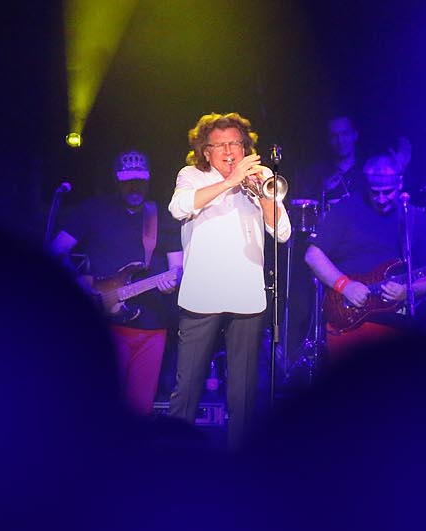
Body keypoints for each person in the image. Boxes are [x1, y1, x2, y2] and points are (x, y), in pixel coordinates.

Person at [167, 112, 291, 449]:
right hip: (201, 295)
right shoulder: (191, 175)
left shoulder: (262, 177)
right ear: (205, 151)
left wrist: (261, 193)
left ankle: (241, 462)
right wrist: (229, 182)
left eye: (235, 143)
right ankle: (172, 458)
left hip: (246, 297)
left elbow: (282, 233)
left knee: (244, 394)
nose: (228, 151)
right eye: (219, 145)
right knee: (187, 388)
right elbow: (178, 208)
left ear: (245, 147)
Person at [50, 150, 183, 416]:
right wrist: (80, 285)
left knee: (140, 409)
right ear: (117, 180)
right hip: (105, 325)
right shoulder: (92, 210)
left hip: (151, 325)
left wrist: (173, 282)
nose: (134, 187)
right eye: (127, 181)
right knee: (102, 406)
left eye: (140, 181)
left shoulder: (161, 216)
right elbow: (57, 249)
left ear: (148, 180)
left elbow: (177, 269)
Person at [304, 153, 426, 360]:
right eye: (375, 193)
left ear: (400, 183)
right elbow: (313, 255)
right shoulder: (346, 210)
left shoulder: (414, 218)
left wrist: (407, 292)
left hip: (395, 321)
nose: (381, 199)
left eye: (388, 192)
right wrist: (345, 285)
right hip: (348, 316)